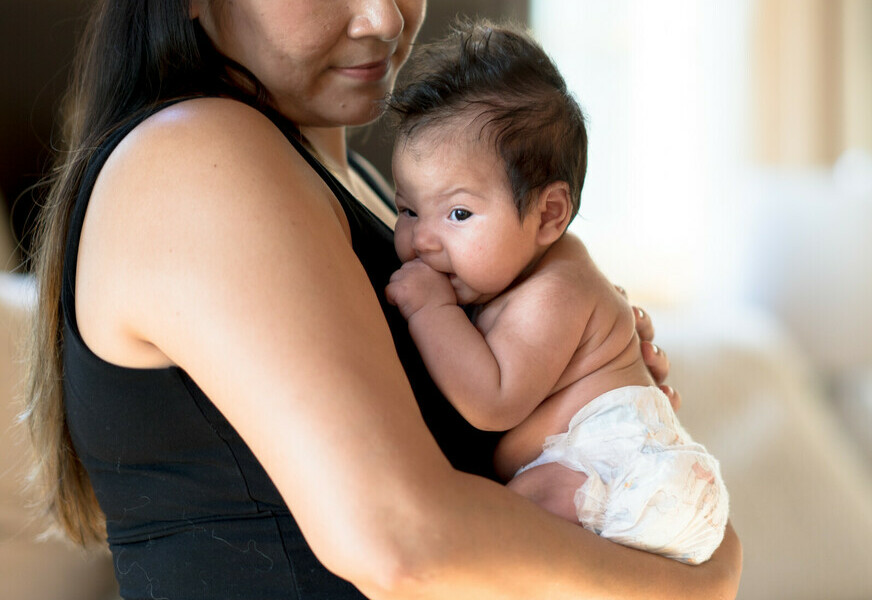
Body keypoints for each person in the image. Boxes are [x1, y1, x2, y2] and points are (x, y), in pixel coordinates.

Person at [20, 1, 740, 598]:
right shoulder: (200, 155)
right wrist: (702, 579)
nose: (383, 17)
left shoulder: (366, 189)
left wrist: (595, 408)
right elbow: (403, 544)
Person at [383, 20, 729, 565]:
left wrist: (431, 308)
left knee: (502, 542)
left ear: (548, 213)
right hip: (607, 472)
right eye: (406, 209)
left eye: (458, 213)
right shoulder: (516, 274)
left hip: (615, 470)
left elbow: (493, 402)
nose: (420, 239)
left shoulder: (557, 288)